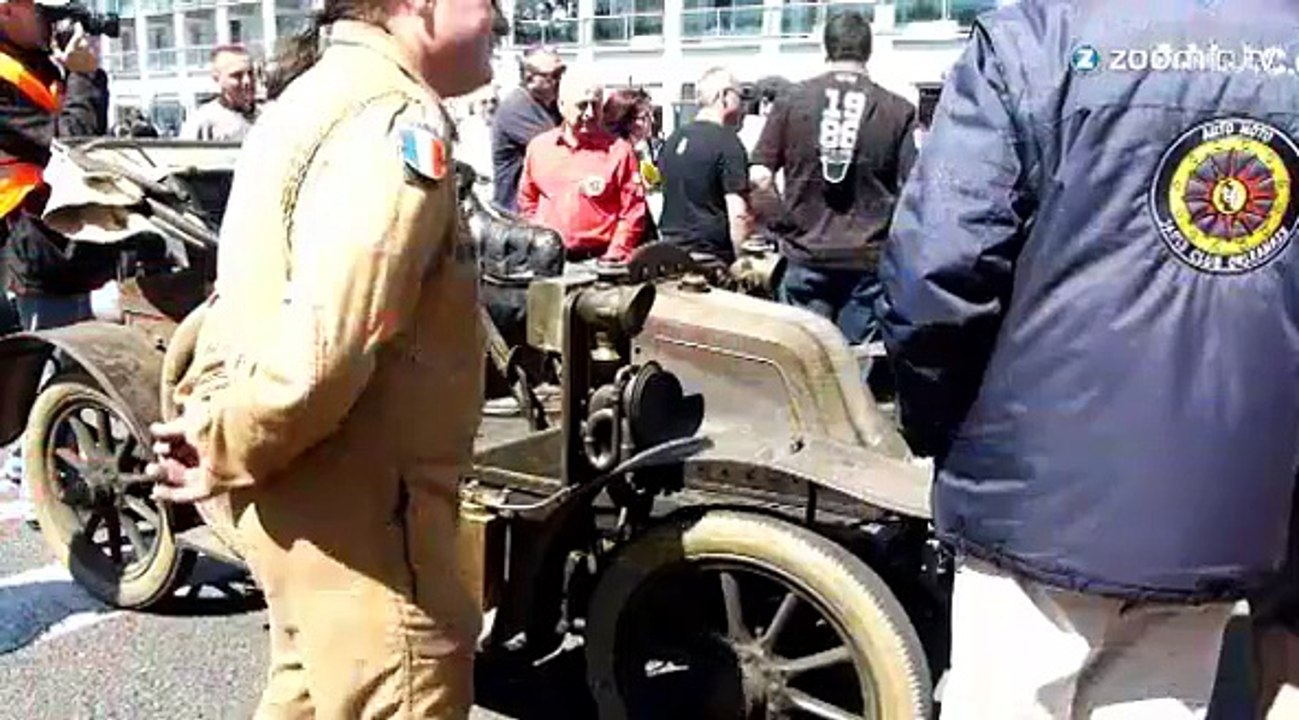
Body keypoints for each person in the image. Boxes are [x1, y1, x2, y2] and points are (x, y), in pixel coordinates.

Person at [877, 1, 1299, 717]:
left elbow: (936, 272)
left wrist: (938, 425)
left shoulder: (1036, 36)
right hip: (1223, 488)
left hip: (1034, 492)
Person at [146, 0, 499, 713]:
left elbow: (245, 297)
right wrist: (225, 442)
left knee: (306, 693)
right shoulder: (391, 117)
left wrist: (222, 435)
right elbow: (327, 348)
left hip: (316, 502)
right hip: (373, 522)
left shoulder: (314, 93)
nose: (498, 17)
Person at [750, 10, 916, 346]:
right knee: (854, 370)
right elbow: (914, 190)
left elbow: (759, 178)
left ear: (826, 48)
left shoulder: (791, 101)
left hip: (805, 252)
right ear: (868, 50)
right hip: (866, 258)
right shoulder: (897, 109)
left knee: (806, 364)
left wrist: (783, 223)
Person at [516, 69, 646, 263]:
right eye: (582, 105)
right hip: (547, 259)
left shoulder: (619, 151)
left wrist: (613, 256)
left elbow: (632, 212)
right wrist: (537, 237)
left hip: (599, 260)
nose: (589, 113)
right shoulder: (539, 148)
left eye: (596, 105)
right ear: (561, 105)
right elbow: (528, 200)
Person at [657, 67, 750, 265]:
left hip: (669, 252)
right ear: (724, 96)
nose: (743, 106)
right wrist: (743, 262)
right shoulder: (728, 143)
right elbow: (738, 213)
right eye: (740, 96)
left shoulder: (673, 140)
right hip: (711, 259)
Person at [490, 46, 562, 212]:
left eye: (562, 72)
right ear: (530, 78)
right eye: (555, 75)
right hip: (517, 214)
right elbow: (560, 149)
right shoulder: (517, 107)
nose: (560, 80)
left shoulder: (553, 106)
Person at [180, 45, 257, 142]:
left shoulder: (266, 117)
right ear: (217, 78)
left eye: (250, 73)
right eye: (237, 75)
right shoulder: (204, 121)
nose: (247, 81)